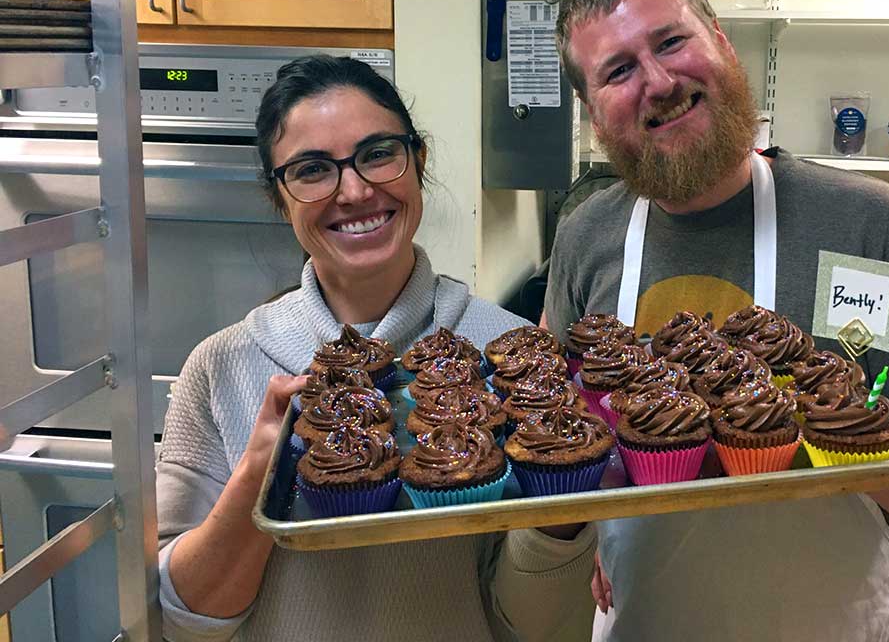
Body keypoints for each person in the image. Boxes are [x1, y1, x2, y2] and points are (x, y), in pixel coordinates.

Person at [543, 0, 889, 640]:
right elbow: (555, 454)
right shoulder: (586, 234)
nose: (660, 82)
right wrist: (577, 541)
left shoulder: (872, 224)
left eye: (672, 42)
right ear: (593, 112)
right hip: (649, 619)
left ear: (722, 44)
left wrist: (849, 440)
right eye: (618, 71)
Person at [156, 55, 595, 642]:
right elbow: (187, 621)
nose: (356, 190)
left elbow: (539, 629)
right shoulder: (220, 366)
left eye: (378, 153)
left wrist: (562, 516)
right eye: (313, 169)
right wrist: (261, 470)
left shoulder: (508, 358)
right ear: (278, 198)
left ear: (418, 162)